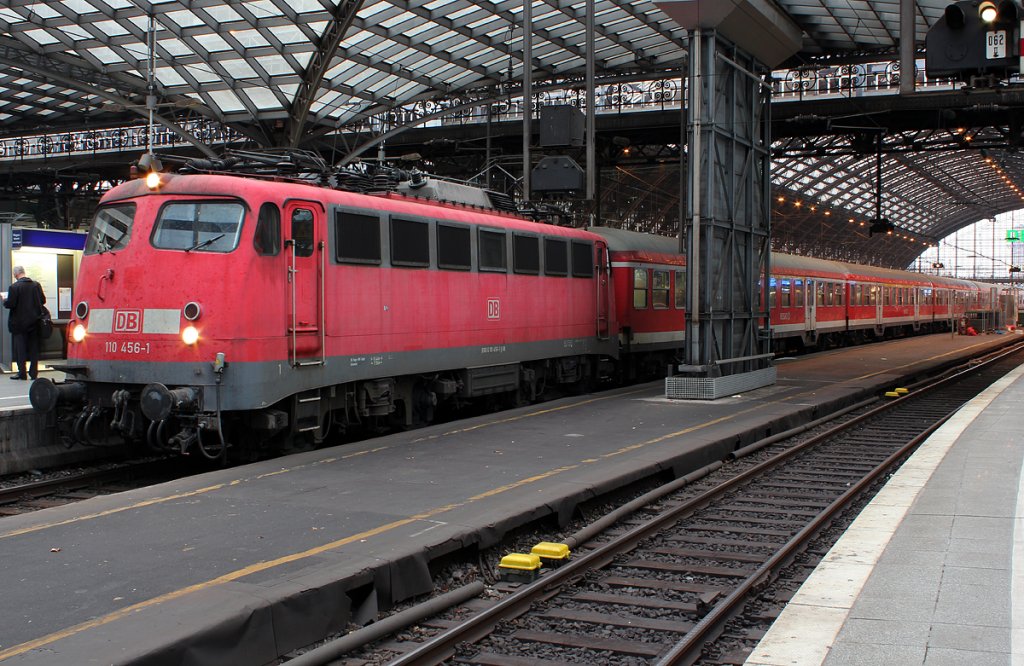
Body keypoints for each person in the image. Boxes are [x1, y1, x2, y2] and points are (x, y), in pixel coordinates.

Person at [4, 266, 45, 380]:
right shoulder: (36, 285)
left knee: (20, 349)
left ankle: (22, 373)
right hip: (35, 322)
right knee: (33, 348)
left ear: (15, 274)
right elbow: (43, 300)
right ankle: (33, 373)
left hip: (19, 323)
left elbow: (10, 304)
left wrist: (4, 300)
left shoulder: (14, 287)